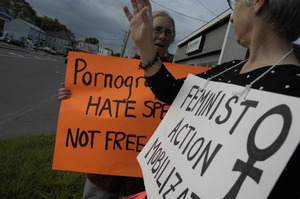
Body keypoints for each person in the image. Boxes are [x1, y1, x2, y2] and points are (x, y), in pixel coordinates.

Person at [123, 0, 300, 198]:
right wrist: (145, 46)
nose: (232, 18)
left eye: (236, 3)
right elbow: (170, 91)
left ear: (258, 3)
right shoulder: (228, 68)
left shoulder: (294, 91)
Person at [58, 10, 176, 198]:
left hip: (147, 174)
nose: (162, 36)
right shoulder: (114, 73)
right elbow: (96, 107)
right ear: (145, 31)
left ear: (171, 40)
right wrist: (73, 97)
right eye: (157, 29)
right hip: (106, 169)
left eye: (168, 32)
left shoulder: (179, 81)